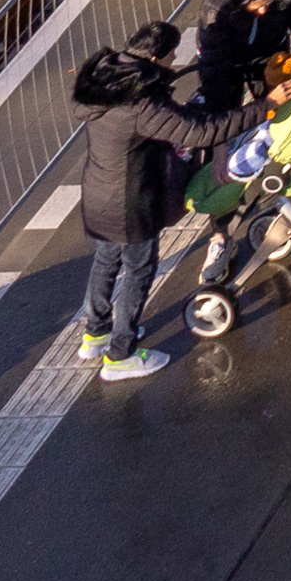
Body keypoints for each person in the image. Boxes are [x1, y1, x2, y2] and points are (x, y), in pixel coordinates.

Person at [65, 23, 225, 378]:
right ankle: (121, 355)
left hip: (97, 193)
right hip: (130, 204)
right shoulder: (140, 101)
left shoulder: (105, 84)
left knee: (106, 261)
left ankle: (95, 333)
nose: (173, 61)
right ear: (155, 57)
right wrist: (266, 107)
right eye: (171, 55)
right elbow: (200, 132)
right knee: (139, 269)